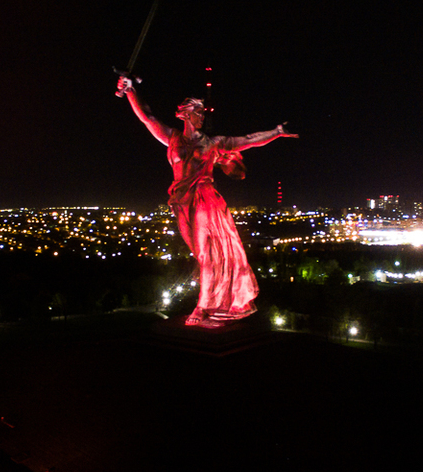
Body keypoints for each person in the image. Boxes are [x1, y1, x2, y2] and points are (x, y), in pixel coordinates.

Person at [117, 75, 298, 326]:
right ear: (186, 114)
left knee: (205, 254)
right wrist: (130, 91)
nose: (203, 116)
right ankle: (212, 301)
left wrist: (277, 132)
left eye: (203, 112)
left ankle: (203, 307)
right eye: (199, 112)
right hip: (181, 202)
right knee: (200, 252)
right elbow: (147, 116)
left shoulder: (214, 143)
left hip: (206, 199)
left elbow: (248, 140)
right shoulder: (172, 138)